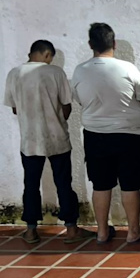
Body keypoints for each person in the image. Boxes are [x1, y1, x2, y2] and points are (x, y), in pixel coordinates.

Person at [4, 40, 93, 244]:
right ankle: (71, 229)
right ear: (47, 55)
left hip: (30, 140)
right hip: (57, 138)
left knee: (31, 184)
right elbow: (66, 105)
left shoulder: (14, 74)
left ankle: (30, 230)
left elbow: (15, 109)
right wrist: (57, 119)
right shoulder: (56, 73)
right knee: (63, 183)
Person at [71, 23, 140, 243]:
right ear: (114, 43)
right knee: (130, 184)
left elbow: (80, 100)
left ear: (90, 45)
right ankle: (133, 232)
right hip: (130, 135)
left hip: (95, 134)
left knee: (100, 184)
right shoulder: (129, 68)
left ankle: (102, 232)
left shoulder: (80, 71)